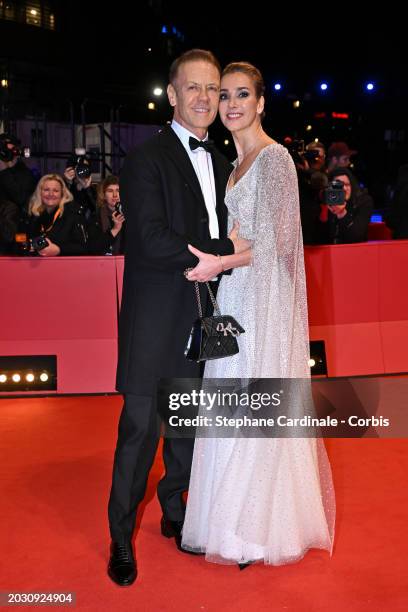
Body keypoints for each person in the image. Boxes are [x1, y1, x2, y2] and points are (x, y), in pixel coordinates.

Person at [181, 62, 335, 566]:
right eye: (224, 95)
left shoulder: (275, 159)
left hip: (264, 301)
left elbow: (280, 244)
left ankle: (258, 531)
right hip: (236, 295)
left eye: (242, 94)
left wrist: (221, 261)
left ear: (262, 102)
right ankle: (227, 524)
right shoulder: (235, 162)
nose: (231, 104)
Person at [108, 49, 247, 586]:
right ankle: (120, 537)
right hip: (155, 321)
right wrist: (220, 252)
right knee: (139, 432)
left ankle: (175, 512)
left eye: (213, 89)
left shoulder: (220, 159)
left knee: (186, 428)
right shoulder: (146, 159)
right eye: (193, 88)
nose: (205, 98)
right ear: (172, 94)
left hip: (203, 318)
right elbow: (149, 238)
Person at [27, 174, 86, 256]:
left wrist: (59, 250)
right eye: (46, 190)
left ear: (62, 194)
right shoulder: (34, 215)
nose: (50, 194)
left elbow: (83, 247)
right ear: (40, 192)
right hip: (37, 265)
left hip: (65, 265)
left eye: (55, 191)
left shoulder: (72, 214)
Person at [319, 167, 373, 244]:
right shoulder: (326, 203)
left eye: (347, 185)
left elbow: (356, 237)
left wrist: (342, 213)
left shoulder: (363, 202)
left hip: (354, 252)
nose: (344, 188)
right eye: (338, 185)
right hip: (329, 252)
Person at [86, 175, 125, 255]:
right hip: (102, 263)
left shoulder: (131, 216)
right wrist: (115, 229)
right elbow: (92, 248)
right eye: (110, 191)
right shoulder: (95, 217)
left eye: (118, 190)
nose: (115, 195)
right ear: (103, 195)